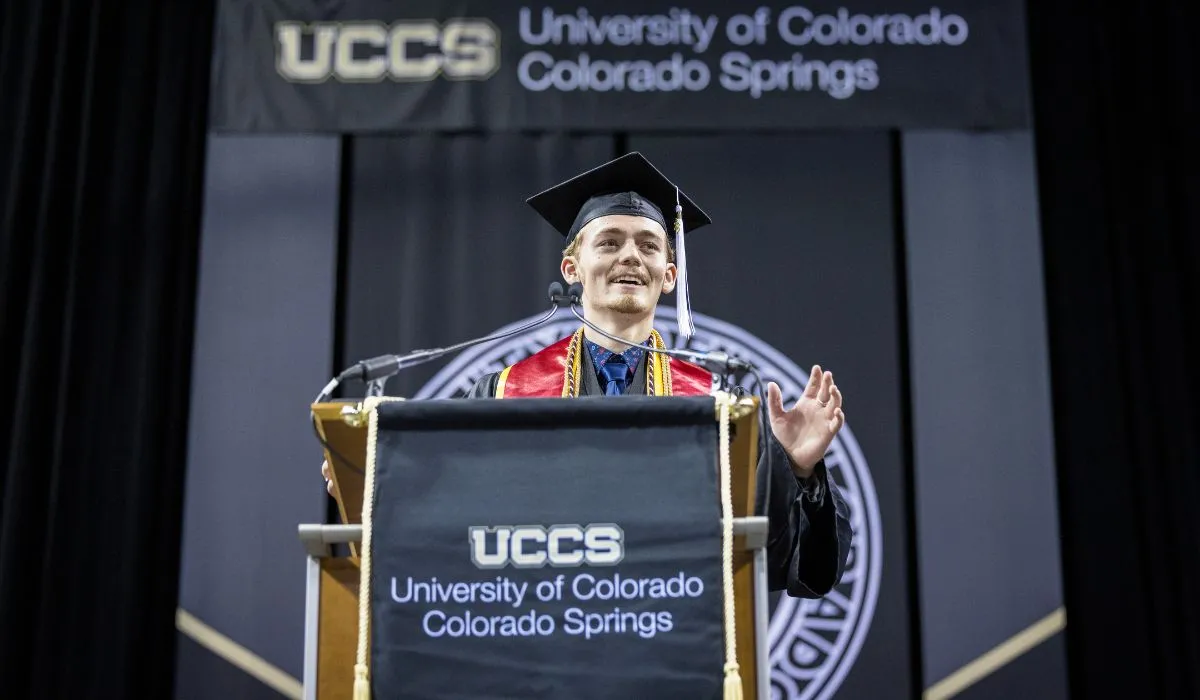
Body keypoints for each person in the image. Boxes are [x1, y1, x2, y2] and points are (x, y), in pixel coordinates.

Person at [323, 152, 852, 599]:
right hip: (541, 635)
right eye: (609, 242)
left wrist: (793, 470)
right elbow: (453, 528)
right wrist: (376, 484)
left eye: (649, 244)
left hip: (674, 638)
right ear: (571, 269)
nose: (630, 256)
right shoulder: (503, 394)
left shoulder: (717, 404)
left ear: (670, 276)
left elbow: (778, 565)